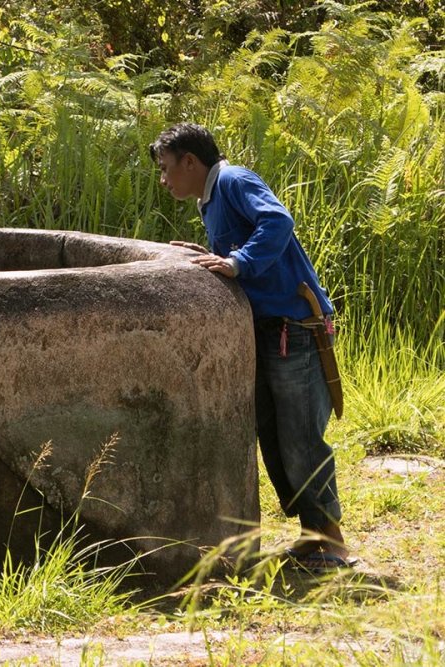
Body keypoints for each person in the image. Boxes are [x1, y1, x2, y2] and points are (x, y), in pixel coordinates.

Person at [148, 122, 351, 572]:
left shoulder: (234, 180)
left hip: (294, 327)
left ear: (190, 162)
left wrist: (238, 261)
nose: (164, 180)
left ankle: (333, 542)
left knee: (300, 437)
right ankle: (312, 535)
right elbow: (242, 245)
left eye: (166, 169)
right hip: (269, 330)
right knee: (275, 437)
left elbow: (277, 221)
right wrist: (205, 253)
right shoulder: (211, 198)